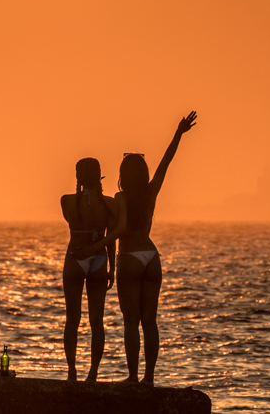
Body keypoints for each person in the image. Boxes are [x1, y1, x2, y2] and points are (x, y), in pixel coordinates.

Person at [75, 111, 197, 385]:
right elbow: (166, 162)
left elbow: (116, 232)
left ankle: (132, 377)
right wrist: (178, 133)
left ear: (122, 175)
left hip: (129, 258)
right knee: (150, 322)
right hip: (152, 257)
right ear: (143, 174)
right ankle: (149, 378)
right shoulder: (151, 191)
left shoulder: (120, 197)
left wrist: (98, 252)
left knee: (131, 322)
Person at [60, 157, 118, 382]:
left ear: (78, 176)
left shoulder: (66, 201)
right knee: (97, 321)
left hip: (74, 258)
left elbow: (71, 222)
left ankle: (72, 372)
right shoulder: (110, 204)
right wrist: (112, 268)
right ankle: (93, 373)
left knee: (72, 319)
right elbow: (110, 239)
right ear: (99, 176)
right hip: (99, 260)